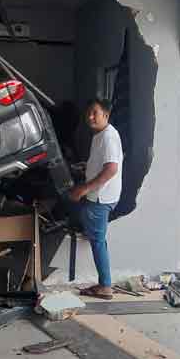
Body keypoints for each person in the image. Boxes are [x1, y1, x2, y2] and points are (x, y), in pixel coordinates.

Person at [69, 98, 123, 300]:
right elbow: (103, 164)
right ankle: (104, 282)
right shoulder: (101, 135)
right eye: (88, 113)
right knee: (97, 237)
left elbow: (111, 169)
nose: (90, 117)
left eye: (95, 113)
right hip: (102, 195)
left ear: (106, 115)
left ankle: (105, 286)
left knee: (98, 241)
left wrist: (83, 189)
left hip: (101, 197)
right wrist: (86, 167)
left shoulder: (108, 136)